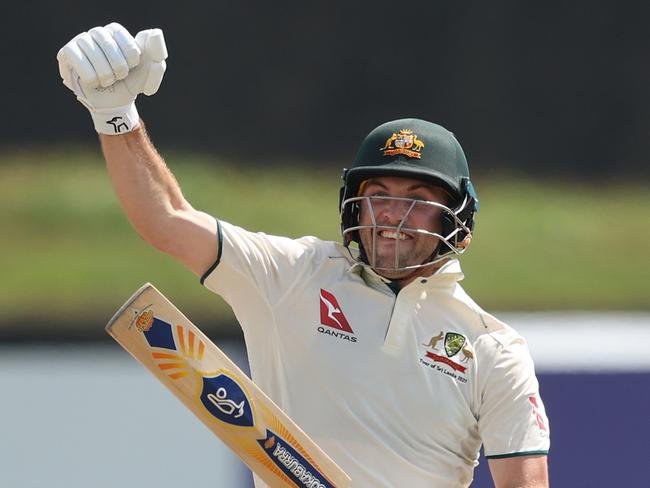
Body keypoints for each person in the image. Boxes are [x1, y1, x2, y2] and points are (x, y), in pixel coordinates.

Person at [57, 23, 550, 488]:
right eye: (379, 194)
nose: (392, 218)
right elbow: (165, 218)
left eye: (416, 200)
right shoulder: (294, 275)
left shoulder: (492, 350)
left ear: (455, 217)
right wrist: (116, 115)